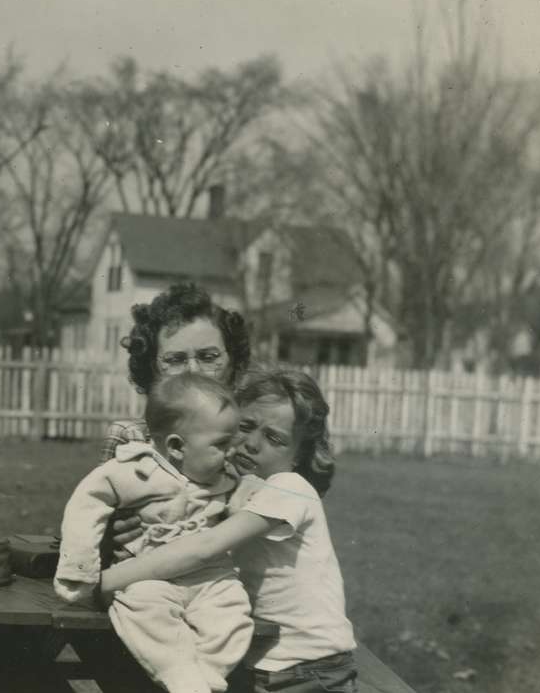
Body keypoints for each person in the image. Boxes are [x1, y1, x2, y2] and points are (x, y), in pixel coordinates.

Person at [98, 370, 358, 693]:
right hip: (263, 665)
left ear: (299, 456)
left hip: (309, 670)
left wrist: (105, 582)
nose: (251, 443)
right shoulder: (233, 489)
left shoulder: (290, 488)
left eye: (274, 438)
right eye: (245, 427)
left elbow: (204, 548)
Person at [55, 373, 253, 693]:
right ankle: (180, 677)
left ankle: (206, 679)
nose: (231, 453)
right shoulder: (137, 469)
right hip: (149, 572)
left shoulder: (225, 475)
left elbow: (248, 502)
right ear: (176, 447)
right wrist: (79, 567)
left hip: (210, 576)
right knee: (143, 609)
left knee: (233, 613)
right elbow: (87, 502)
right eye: (221, 445)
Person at [100, 282, 252, 462]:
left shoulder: (249, 442)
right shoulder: (132, 439)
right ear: (152, 368)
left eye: (209, 357)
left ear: (233, 362)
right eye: (175, 360)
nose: (193, 371)